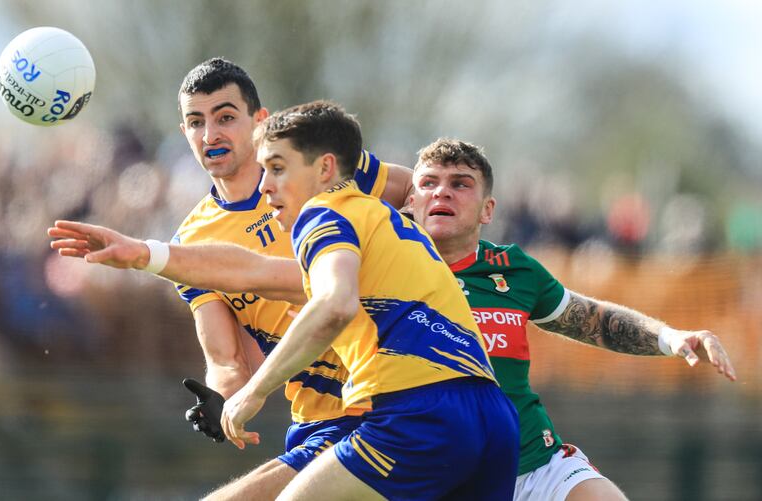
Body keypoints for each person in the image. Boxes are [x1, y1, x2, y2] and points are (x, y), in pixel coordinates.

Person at [50, 102, 521, 500]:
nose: (266, 183)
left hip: (418, 413)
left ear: (324, 169)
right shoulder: (381, 222)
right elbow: (255, 272)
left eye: (276, 167)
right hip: (492, 417)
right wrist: (144, 253)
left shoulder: (325, 211)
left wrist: (255, 391)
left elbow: (333, 306)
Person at [71, 58, 415, 501]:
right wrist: (220, 397)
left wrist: (394, 255)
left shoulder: (315, 167)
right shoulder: (192, 241)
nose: (211, 134)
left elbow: (415, 194)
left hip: (386, 399)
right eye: (196, 122)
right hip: (317, 418)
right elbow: (226, 358)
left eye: (226, 117)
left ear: (260, 121)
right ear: (184, 134)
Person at [405, 138, 736, 501]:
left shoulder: (514, 269)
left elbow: (592, 320)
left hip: (532, 465)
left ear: (488, 210)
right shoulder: (383, 268)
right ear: (411, 202)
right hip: (432, 474)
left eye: (460, 184)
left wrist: (669, 338)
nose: (442, 193)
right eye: (429, 183)